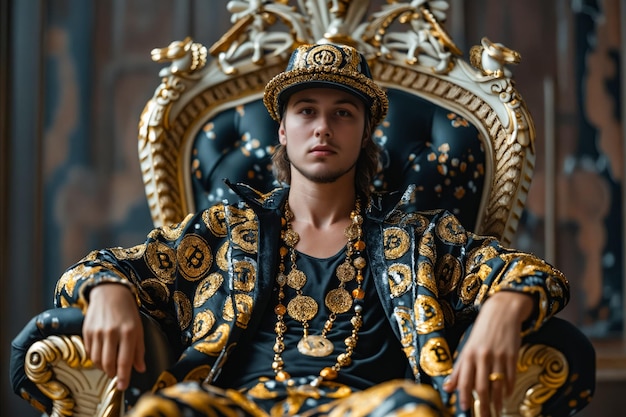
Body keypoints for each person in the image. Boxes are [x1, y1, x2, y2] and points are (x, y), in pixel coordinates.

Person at [55, 43, 569, 417]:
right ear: (283, 129)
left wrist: (504, 307)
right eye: (307, 111)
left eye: (343, 113)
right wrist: (107, 292)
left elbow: (531, 272)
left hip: (373, 409)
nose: (323, 127)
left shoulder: (419, 237)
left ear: (366, 131)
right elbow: (104, 265)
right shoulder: (224, 231)